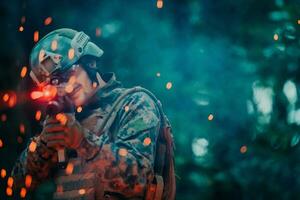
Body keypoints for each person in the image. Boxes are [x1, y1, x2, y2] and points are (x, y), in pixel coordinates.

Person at [11, 28, 175, 200]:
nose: (65, 85)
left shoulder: (134, 103)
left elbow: (139, 180)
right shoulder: (63, 120)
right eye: (55, 82)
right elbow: (17, 185)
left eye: (69, 73)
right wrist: (44, 145)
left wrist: (82, 142)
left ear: (90, 63)